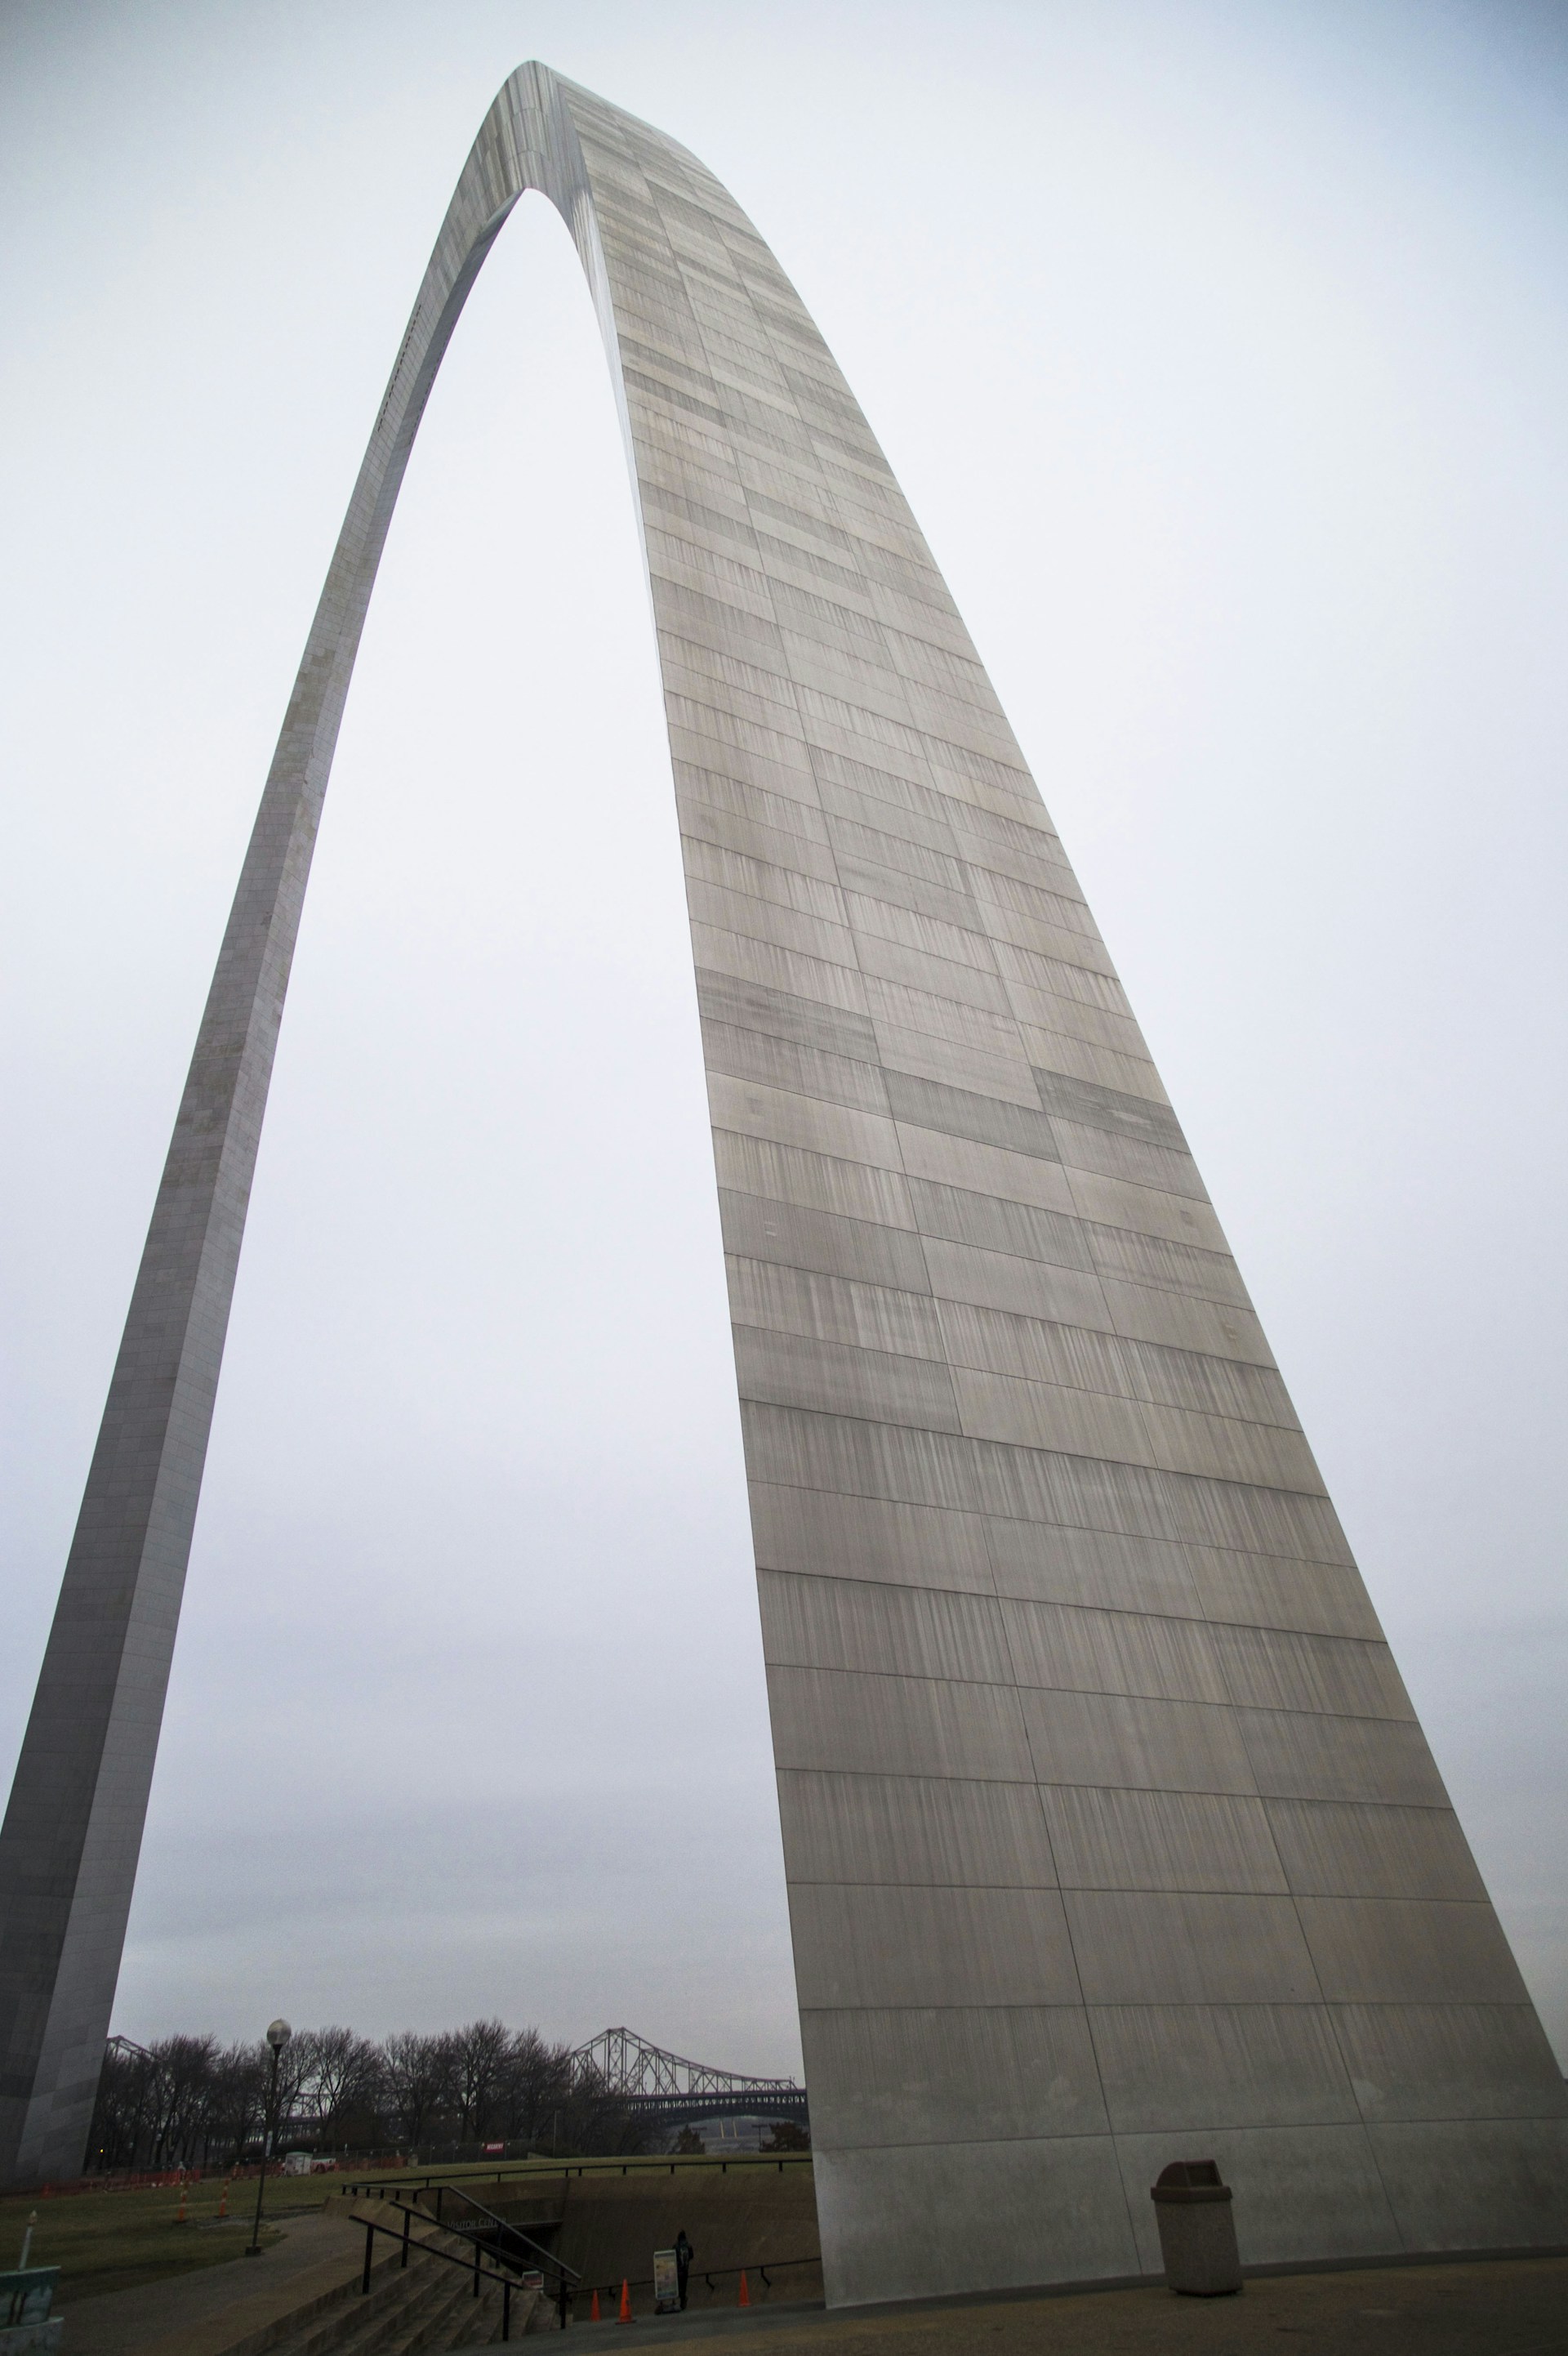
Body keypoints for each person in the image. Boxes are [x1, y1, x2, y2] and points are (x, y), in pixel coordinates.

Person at [674, 2230, 693, 2311]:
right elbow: (691, 2256)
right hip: (685, 2269)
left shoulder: (676, 2246)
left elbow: (672, 2256)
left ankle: (683, 2299)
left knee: (678, 2286)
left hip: (678, 2269)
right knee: (684, 2286)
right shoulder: (688, 2246)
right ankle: (683, 2301)